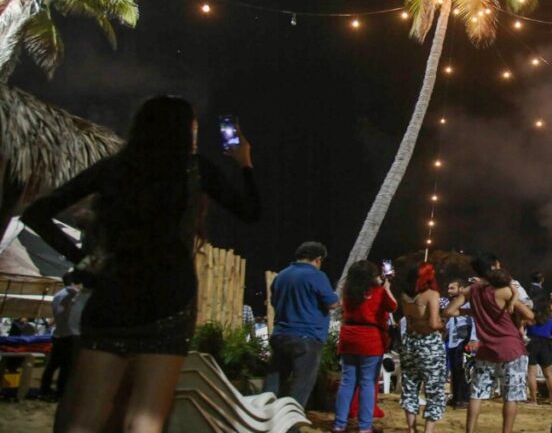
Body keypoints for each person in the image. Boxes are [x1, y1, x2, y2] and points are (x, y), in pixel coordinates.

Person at [22, 95, 259, 433]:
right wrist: (244, 163)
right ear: (184, 131)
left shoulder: (115, 168)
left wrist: (82, 260)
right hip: (169, 300)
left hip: (111, 297)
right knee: (146, 419)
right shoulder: (195, 171)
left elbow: (36, 213)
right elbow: (251, 212)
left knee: (85, 419)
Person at [444, 253, 534, 433]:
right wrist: (514, 296)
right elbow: (529, 315)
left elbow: (449, 311)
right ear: (493, 268)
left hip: (486, 349)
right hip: (512, 348)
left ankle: (470, 430)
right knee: (511, 396)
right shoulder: (503, 291)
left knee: (477, 394)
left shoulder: (471, 290)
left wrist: (472, 313)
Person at [265, 241, 340, 408]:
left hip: (280, 335)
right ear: (318, 259)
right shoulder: (316, 276)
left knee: (274, 380)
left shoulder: (281, 276)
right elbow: (332, 303)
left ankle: (264, 416)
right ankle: (291, 424)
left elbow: (274, 302)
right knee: (301, 385)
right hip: (307, 337)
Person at [334, 260, 397, 433]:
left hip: (349, 337)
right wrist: (386, 287)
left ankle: (339, 424)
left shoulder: (348, 291)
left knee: (347, 382)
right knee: (368, 382)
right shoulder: (377, 291)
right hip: (370, 339)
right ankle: (364, 427)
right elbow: (393, 306)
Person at [398, 263, 447, 433]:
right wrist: (443, 325)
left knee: (410, 385)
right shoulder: (431, 295)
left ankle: (411, 429)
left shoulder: (405, 296)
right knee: (434, 389)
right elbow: (434, 323)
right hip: (429, 344)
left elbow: (409, 322)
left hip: (410, 342)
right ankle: (428, 430)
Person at [39, 271, 81, 400]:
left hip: (58, 334)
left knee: (53, 364)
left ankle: (45, 389)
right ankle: (60, 392)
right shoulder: (72, 295)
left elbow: (58, 313)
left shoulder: (58, 295)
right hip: (69, 335)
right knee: (66, 367)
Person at [445, 279, 477, 409]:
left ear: (461, 289)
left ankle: (464, 399)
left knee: (464, 370)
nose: (449, 291)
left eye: (452, 288)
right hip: (453, 341)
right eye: (448, 288)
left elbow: (475, 320)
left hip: (464, 340)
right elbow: (450, 321)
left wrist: (473, 338)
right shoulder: (452, 303)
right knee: (455, 369)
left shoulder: (468, 303)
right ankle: (456, 396)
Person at [526, 294, 552, 405]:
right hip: (546, 344)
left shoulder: (531, 316)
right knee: (549, 374)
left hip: (532, 343)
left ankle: (534, 400)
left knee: (532, 374)